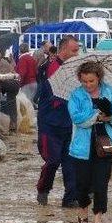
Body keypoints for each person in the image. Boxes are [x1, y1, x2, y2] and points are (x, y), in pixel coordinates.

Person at [68, 61, 112, 223]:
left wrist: (109, 117)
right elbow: (77, 118)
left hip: (106, 143)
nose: (87, 85)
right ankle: (83, 207)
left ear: (98, 78)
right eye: (84, 81)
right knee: (82, 182)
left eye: (91, 81)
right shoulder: (76, 95)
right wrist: (96, 115)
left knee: (101, 182)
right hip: (82, 146)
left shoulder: (111, 93)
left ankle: (98, 216)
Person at [36, 35, 80, 207]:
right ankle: (43, 189)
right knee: (52, 161)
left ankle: (70, 198)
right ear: (63, 50)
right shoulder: (51, 67)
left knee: (71, 163)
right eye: (74, 50)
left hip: (69, 123)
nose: (77, 53)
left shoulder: (76, 68)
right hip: (50, 124)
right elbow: (59, 91)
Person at [0, 50, 20, 132]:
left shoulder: (2, 63)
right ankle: (13, 125)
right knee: (11, 104)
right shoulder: (0, 63)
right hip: (12, 85)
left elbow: (0, 77)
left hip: (12, 85)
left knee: (11, 103)